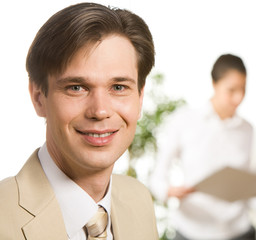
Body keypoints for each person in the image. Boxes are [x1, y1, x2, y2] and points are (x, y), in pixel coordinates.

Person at [0, 3, 158, 239]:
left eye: (118, 87)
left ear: (140, 96)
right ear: (38, 97)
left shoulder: (139, 199)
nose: (100, 111)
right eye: (76, 87)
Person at [150, 54, 256, 240]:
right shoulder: (185, 121)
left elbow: (246, 184)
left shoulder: (247, 130)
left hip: (238, 231)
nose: (238, 98)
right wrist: (170, 191)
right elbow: (157, 177)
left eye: (243, 90)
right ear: (214, 85)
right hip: (192, 231)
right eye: (231, 90)